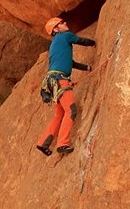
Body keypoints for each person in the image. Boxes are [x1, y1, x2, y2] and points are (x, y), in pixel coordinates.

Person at [37, 17, 96, 156]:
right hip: (60, 80)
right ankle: (62, 144)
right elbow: (79, 40)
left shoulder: (55, 45)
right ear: (56, 29)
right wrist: (94, 42)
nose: (65, 24)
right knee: (71, 110)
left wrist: (87, 67)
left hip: (52, 82)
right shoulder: (65, 36)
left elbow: (70, 62)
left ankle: (43, 143)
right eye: (61, 23)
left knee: (59, 114)